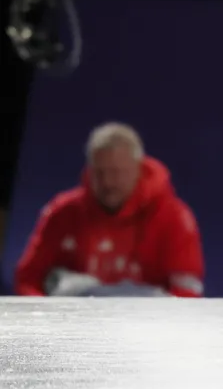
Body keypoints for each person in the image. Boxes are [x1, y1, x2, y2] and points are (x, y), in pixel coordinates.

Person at [14, 122, 204, 297]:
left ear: (138, 169)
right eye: (99, 172)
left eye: (117, 172)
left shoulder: (175, 218)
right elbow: (28, 279)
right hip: (74, 324)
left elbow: (187, 293)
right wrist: (47, 323)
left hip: (144, 325)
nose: (107, 182)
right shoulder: (62, 212)